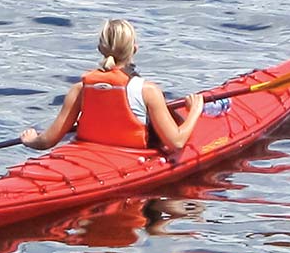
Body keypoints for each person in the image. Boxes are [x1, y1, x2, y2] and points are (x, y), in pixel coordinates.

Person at [19, 19, 205, 156]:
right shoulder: (148, 91)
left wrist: (30, 139)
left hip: (87, 156)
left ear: (101, 49)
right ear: (135, 49)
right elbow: (177, 142)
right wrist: (195, 111)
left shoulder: (80, 89)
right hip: (130, 158)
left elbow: (47, 141)